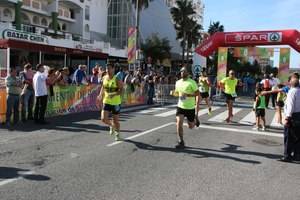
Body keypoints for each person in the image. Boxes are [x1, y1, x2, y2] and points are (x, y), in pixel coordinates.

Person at [172, 67, 200, 149]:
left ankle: (195, 119)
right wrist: (173, 93)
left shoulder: (192, 82)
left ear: (188, 73)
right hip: (180, 106)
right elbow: (177, 93)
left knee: (191, 126)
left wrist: (188, 95)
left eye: (184, 71)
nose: (182, 72)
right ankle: (181, 141)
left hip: (190, 107)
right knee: (179, 123)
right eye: (181, 71)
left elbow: (197, 93)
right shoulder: (177, 82)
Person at [98, 64, 123, 141]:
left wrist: (114, 94)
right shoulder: (104, 77)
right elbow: (103, 87)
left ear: (113, 69)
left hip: (116, 103)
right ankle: (111, 125)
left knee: (116, 121)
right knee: (103, 119)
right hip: (106, 101)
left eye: (109, 68)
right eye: (106, 69)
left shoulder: (117, 79)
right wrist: (100, 95)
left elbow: (121, 90)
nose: (107, 70)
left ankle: (117, 134)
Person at [281, 73, 300, 162]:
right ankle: (297, 155)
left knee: (288, 137)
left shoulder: (292, 91)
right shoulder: (299, 90)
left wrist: (287, 117)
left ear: (291, 84)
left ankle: (287, 156)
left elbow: (290, 106)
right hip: (298, 115)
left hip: (292, 116)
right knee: (297, 137)